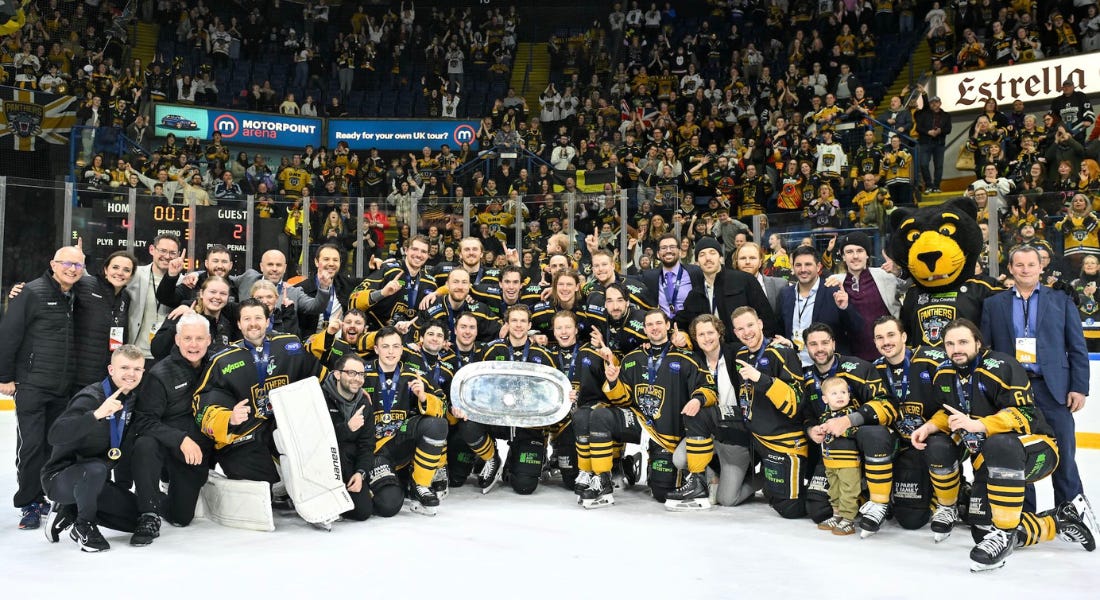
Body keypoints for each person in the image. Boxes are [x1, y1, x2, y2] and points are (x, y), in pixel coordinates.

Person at [909, 320, 1097, 571]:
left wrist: (981, 425)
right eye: (950, 344)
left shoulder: (1002, 365)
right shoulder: (944, 372)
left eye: (963, 342)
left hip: (1035, 449)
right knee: (980, 529)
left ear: (977, 342)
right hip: (991, 457)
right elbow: (951, 413)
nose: (956, 349)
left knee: (999, 444)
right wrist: (930, 426)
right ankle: (1059, 520)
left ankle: (1005, 534)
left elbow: (1027, 414)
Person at [981, 245, 1091, 512]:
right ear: (1010, 268)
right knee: (1018, 455)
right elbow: (986, 352)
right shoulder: (993, 304)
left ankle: (1071, 515)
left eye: (1032, 264)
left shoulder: (1061, 300)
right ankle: (1023, 516)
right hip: (1012, 392)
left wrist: (1079, 387)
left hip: (1053, 389)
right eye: (1019, 265)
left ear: (1041, 267)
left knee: (1064, 456)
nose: (1026, 270)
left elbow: (1077, 347)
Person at [586, 309, 718, 509]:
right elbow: (623, 399)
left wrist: (698, 399)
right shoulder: (632, 359)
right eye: (649, 325)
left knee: (662, 493)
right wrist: (613, 382)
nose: (654, 328)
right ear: (645, 329)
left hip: (666, 433)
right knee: (600, 416)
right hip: (640, 423)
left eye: (658, 323)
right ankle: (602, 480)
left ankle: (651, 466)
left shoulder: (687, 357)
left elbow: (709, 388)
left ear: (667, 325)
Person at [193, 299, 321, 486]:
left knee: (306, 474)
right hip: (244, 435)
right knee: (264, 486)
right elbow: (201, 404)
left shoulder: (289, 346)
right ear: (238, 324)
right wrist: (228, 418)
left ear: (268, 321)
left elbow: (317, 373)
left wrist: (344, 387)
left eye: (258, 318)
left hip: (282, 428)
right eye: (247, 319)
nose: (253, 323)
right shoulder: (223, 360)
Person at [0, 245, 84, 529]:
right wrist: (5, 377)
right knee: (32, 446)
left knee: (53, 446)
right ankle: (29, 503)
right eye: (67, 264)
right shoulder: (32, 292)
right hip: (32, 384)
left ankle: (46, 496)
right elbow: (9, 334)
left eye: (78, 266)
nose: (72, 269)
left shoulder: (73, 295)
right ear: (53, 264)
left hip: (62, 386)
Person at [40, 345, 145, 552]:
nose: (131, 374)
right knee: (95, 468)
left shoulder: (130, 398)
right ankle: (83, 525)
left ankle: (69, 510)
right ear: (111, 370)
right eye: (125, 368)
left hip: (95, 483)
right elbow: (55, 434)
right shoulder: (91, 397)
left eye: (137, 369)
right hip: (61, 478)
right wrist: (95, 415)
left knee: (137, 519)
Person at [129, 314, 214, 545]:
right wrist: (180, 439)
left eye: (199, 338)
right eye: (187, 338)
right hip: (169, 443)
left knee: (181, 517)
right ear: (177, 340)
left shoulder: (216, 366)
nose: (193, 345)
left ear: (208, 340)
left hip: (198, 449)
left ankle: (161, 495)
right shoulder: (160, 373)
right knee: (145, 443)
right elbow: (144, 421)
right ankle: (148, 511)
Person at [801, 323, 896, 528]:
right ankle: (857, 498)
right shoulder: (807, 378)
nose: (819, 348)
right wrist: (811, 430)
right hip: (832, 455)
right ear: (806, 348)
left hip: (863, 449)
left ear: (834, 343)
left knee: (875, 434)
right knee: (817, 511)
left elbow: (887, 406)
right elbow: (807, 415)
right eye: (813, 344)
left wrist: (849, 420)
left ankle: (869, 491)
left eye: (825, 342)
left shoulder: (859, 367)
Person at [457, 304, 555, 495]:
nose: (518, 325)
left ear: (529, 325)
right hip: (496, 419)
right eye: (514, 321)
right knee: (467, 425)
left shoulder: (542, 355)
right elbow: (475, 383)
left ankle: (516, 458)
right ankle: (492, 457)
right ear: (507, 324)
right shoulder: (491, 351)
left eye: (522, 321)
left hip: (528, 426)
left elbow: (553, 390)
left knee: (524, 486)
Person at [359, 326, 448, 516]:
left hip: (399, 442)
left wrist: (424, 398)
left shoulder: (416, 375)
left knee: (436, 424)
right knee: (389, 505)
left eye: (396, 346)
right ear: (376, 349)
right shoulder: (361, 375)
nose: (391, 352)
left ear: (402, 349)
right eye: (385, 346)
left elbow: (443, 408)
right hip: (373, 450)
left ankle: (420, 485)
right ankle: (382, 481)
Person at [870, 316, 944, 531]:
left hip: (932, 440)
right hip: (900, 445)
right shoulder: (874, 369)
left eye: (891, 335)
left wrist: (931, 427)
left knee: (913, 519)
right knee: (908, 518)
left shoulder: (931, 361)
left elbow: (953, 406)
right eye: (879, 337)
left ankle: (949, 497)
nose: (886, 342)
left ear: (904, 336)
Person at [778, 246, 863, 366]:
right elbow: (780, 329)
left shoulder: (833, 291)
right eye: (798, 265)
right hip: (795, 366)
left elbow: (856, 327)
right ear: (792, 267)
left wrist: (845, 307)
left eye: (808, 264)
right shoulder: (785, 294)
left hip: (828, 368)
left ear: (818, 267)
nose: (803, 269)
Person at [824, 232, 901, 362]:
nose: (855, 256)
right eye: (849, 252)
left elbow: (911, 284)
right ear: (843, 256)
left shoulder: (885, 276)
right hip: (853, 359)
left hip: (888, 355)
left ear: (867, 255)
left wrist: (899, 271)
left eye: (860, 251)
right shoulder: (835, 282)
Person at [678, 237, 778, 335]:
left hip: (745, 349)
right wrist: (681, 334)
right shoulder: (695, 294)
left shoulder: (744, 280)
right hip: (711, 349)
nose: (707, 258)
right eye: (702, 255)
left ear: (721, 258)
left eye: (712, 253)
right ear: (697, 262)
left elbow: (767, 319)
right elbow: (684, 325)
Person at [319, 353, 375, 521]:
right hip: (321, 464)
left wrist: (360, 473)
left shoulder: (364, 404)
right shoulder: (319, 398)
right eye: (351, 373)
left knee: (363, 512)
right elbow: (316, 440)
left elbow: (367, 445)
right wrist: (348, 428)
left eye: (361, 374)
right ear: (337, 374)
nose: (357, 379)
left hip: (348, 463)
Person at [815, 377, 861, 536]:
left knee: (849, 489)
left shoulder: (850, 414)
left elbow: (856, 432)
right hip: (830, 460)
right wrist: (820, 432)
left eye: (843, 392)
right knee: (834, 489)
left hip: (848, 461)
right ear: (825, 399)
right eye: (834, 393)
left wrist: (841, 429)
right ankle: (836, 515)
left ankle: (848, 519)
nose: (840, 396)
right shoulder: (824, 416)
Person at [127, 234, 182, 363]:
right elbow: (105, 282)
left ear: (178, 255)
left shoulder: (184, 282)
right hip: (134, 354)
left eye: (172, 253)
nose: (167, 256)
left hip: (166, 357)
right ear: (152, 249)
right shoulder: (134, 274)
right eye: (163, 251)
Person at [641, 233, 703, 319]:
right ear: (658, 254)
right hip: (663, 328)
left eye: (672, 247)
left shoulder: (695, 272)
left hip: (690, 327)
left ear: (680, 252)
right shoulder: (650, 276)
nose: (668, 250)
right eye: (663, 248)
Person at [915, 93, 952, 193]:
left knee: (939, 166)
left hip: (939, 143)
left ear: (940, 103)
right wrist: (928, 132)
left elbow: (948, 129)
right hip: (925, 142)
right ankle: (928, 185)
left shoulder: (946, 115)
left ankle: (936, 186)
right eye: (932, 102)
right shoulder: (924, 114)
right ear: (929, 104)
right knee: (923, 164)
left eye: (936, 102)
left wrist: (940, 131)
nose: (934, 104)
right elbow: (918, 128)